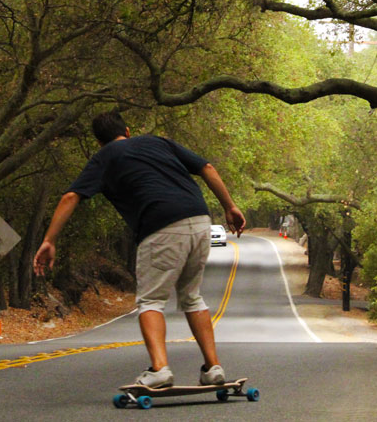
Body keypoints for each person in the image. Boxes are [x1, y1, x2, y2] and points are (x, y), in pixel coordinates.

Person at [33, 111, 246, 388]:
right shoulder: (159, 142)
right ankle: (213, 368)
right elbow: (207, 168)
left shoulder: (105, 157)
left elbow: (72, 195)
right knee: (192, 297)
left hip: (161, 225)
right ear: (128, 131)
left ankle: (160, 370)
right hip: (199, 220)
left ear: (99, 142)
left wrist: (49, 240)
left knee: (150, 302)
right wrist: (230, 206)